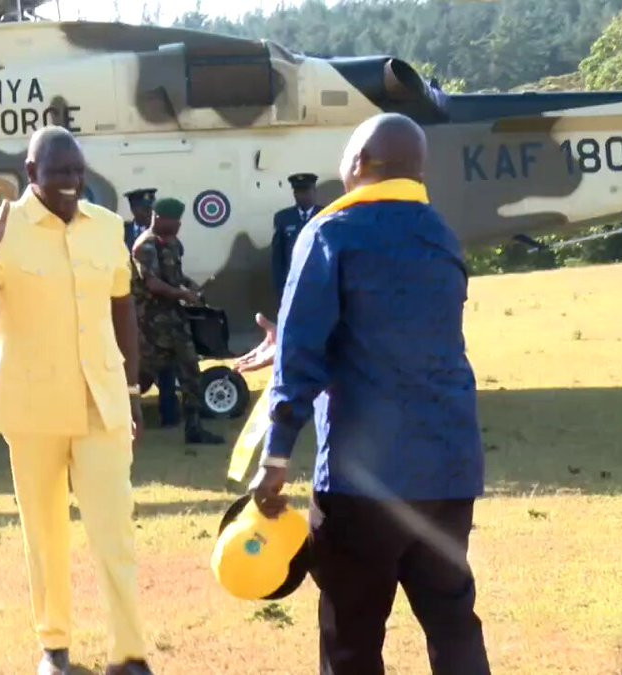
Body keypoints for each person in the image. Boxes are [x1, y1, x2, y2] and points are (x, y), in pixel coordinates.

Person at [236, 113, 491, 675]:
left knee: (351, 638)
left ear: (356, 163)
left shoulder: (330, 233)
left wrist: (275, 459)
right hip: (449, 472)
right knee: (453, 624)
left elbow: (302, 357)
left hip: (363, 481)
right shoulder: (441, 235)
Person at [0, 126, 154, 675]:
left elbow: (122, 309)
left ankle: (129, 654)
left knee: (115, 530)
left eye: (78, 171)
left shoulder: (107, 226)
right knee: (45, 533)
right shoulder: (2, 228)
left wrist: (132, 390)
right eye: (60, 171)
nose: (71, 181)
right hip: (33, 406)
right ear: (31, 173)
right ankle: (54, 647)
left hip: (100, 401)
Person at [130, 197, 224, 445]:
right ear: (159, 219)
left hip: (174, 321)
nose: (179, 226)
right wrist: (183, 295)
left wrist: (191, 286)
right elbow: (152, 283)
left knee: (190, 369)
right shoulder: (145, 246)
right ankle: (120, 422)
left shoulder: (173, 244)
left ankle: (194, 428)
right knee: (141, 377)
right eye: (175, 221)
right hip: (150, 325)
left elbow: (175, 275)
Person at [123, 187, 180, 426]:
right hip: (129, 310)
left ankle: (169, 413)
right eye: (144, 209)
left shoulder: (165, 237)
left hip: (159, 312)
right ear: (133, 210)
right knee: (131, 361)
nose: (149, 214)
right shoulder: (120, 233)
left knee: (166, 362)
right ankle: (126, 412)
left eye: (152, 209)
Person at [271, 172, 322, 308]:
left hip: (320, 285)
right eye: (298, 192)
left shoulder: (326, 215)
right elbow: (278, 258)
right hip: (293, 286)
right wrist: (281, 289)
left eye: (306, 191)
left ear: (314, 191)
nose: (302, 195)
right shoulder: (283, 218)